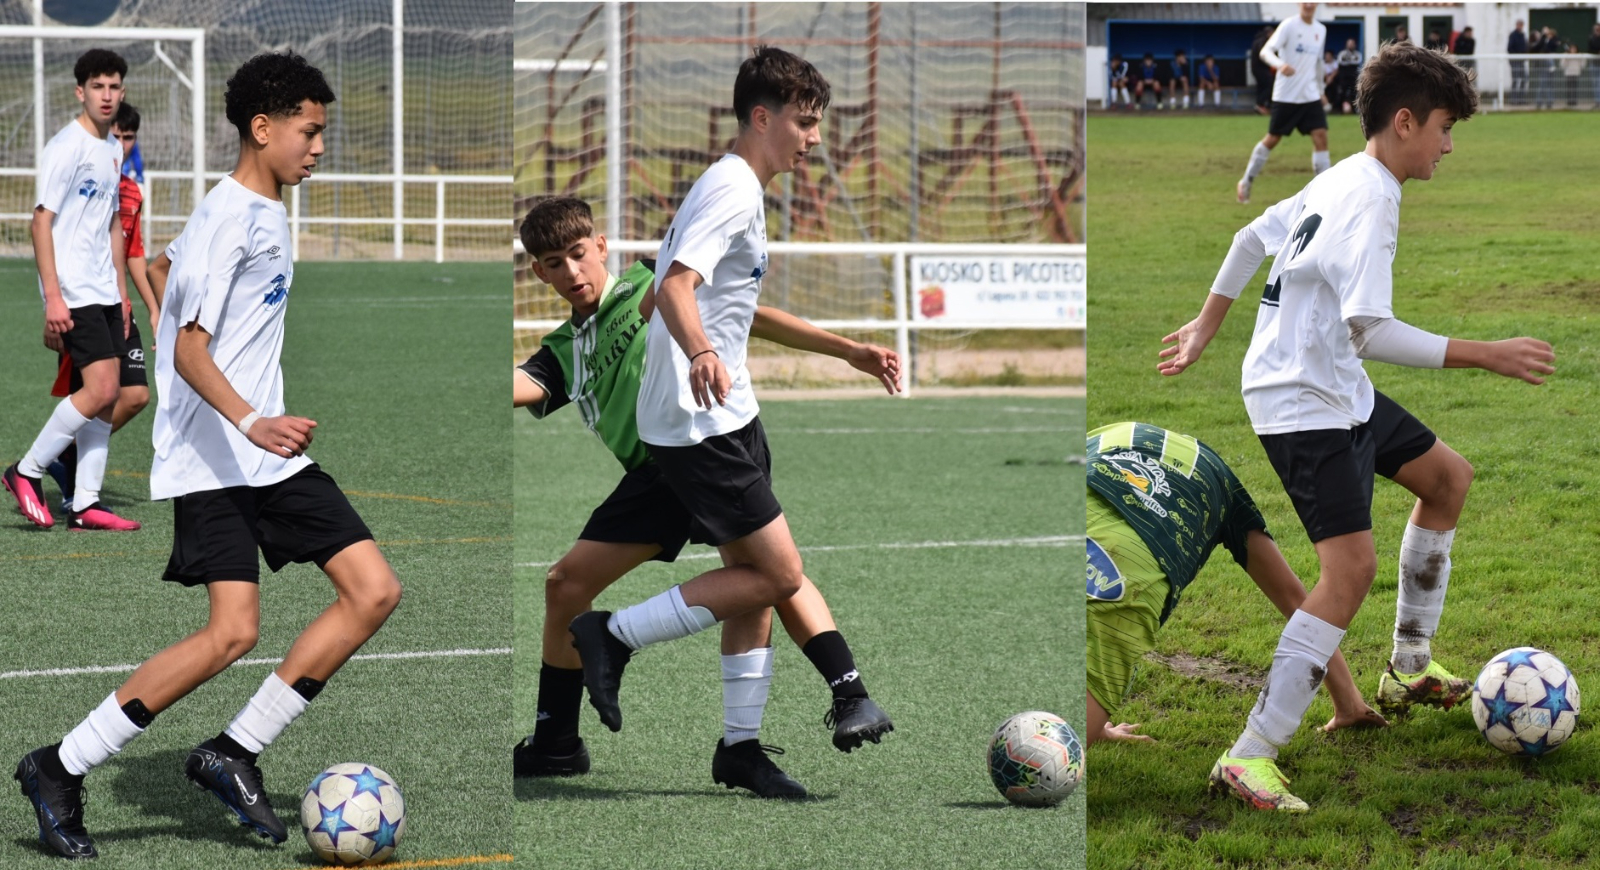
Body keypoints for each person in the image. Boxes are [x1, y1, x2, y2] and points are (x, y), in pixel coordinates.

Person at [14, 52, 403, 859]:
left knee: (372, 592)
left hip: (264, 456)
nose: (319, 148)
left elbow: (165, 274)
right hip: (221, 457)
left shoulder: (253, 209)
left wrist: (166, 299)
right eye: (310, 131)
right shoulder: (236, 216)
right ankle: (59, 765)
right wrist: (252, 419)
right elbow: (191, 351)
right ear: (263, 129)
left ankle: (232, 752)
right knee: (231, 634)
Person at [1157, 42, 1554, 812]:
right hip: (1302, 398)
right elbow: (1369, 327)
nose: (1448, 144)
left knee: (1447, 479)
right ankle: (1250, 753)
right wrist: (1487, 354)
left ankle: (1408, 666)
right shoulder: (1369, 194)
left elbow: (1249, 240)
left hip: (1336, 385)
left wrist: (1209, 325)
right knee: (1350, 572)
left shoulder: (1340, 174)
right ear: (1404, 122)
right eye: (1443, 127)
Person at [564, 44, 897, 791]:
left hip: (723, 413)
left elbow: (676, 297)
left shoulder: (730, 185)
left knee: (750, 574)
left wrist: (845, 349)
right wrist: (702, 352)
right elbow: (678, 290)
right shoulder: (733, 191)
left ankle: (740, 748)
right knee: (778, 575)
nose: (814, 137)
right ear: (761, 116)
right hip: (699, 420)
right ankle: (611, 635)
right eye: (804, 122)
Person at [510, 196, 898, 796]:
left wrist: (845, 349)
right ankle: (558, 742)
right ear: (538, 271)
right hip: (654, 476)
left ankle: (820, 706)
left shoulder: (651, 282)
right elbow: (518, 385)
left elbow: (748, 315)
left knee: (767, 575)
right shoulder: (563, 352)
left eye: (579, 254)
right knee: (568, 584)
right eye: (555, 263)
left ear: (603, 246)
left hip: (700, 448)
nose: (572, 273)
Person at [1085, 422, 1386, 751]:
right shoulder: (1223, 486)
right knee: (1043, 756)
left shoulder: (1106, 436)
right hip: (1126, 573)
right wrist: (1349, 704)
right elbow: (1296, 601)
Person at [3, 49, 139, 532]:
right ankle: (26, 470)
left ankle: (84, 503)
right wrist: (53, 296)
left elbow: (111, 227)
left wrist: (122, 293)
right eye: (98, 86)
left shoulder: (113, 148)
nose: (107, 95)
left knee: (108, 395)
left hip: (104, 289)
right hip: (73, 290)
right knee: (101, 388)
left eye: (114, 86)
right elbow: (41, 221)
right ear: (80, 91)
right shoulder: (66, 145)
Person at [43, 101, 161, 515]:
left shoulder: (129, 191)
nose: (123, 143)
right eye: (119, 135)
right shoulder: (78, 171)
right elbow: (51, 232)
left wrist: (151, 305)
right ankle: (53, 475)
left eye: (130, 137)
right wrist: (51, 303)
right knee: (96, 393)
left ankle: (67, 460)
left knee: (136, 395)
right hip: (81, 301)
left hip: (117, 303)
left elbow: (133, 252)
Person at [1237, 3, 1329, 205]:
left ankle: (1324, 194)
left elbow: (1318, 63)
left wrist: (1321, 91)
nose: (1309, 4)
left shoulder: (1320, 30)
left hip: (1310, 95)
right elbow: (1265, 51)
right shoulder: (1288, 25)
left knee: (1321, 137)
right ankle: (1246, 181)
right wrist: (1280, 65)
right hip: (1286, 95)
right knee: (1272, 139)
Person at [1250, 26, 1277, 115]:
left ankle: (1263, 105)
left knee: (1262, 87)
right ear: (1268, 33)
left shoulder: (1258, 40)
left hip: (1257, 69)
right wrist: (1273, 64)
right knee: (1269, 85)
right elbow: (1263, 56)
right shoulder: (1262, 41)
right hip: (1260, 68)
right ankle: (1260, 104)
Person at [1335, 39, 1363, 113]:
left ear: (1355, 45)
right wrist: (1350, 61)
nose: (1350, 45)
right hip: (1344, 76)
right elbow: (1340, 61)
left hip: (1353, 76)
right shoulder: (1342, 53)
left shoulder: (1357, 54)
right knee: (1341, 92)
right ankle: (1339, 109)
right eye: (1349, 43)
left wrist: (1348, 61)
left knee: (1354, 92)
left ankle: (1355, 109)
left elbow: (1358, 61)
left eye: (1352, 43)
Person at [1508, 20, 1528, 105]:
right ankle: (1513, 99)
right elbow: (1509, 48)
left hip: (1521, 61)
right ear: (1516, 25)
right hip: (1515, 61)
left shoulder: (1523, 35)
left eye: (1521, 25)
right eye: (1519, 25)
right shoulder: (1513, 35)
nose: (1520, 26)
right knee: (1515, 80)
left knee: (1525, 78)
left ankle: (1521, 99)